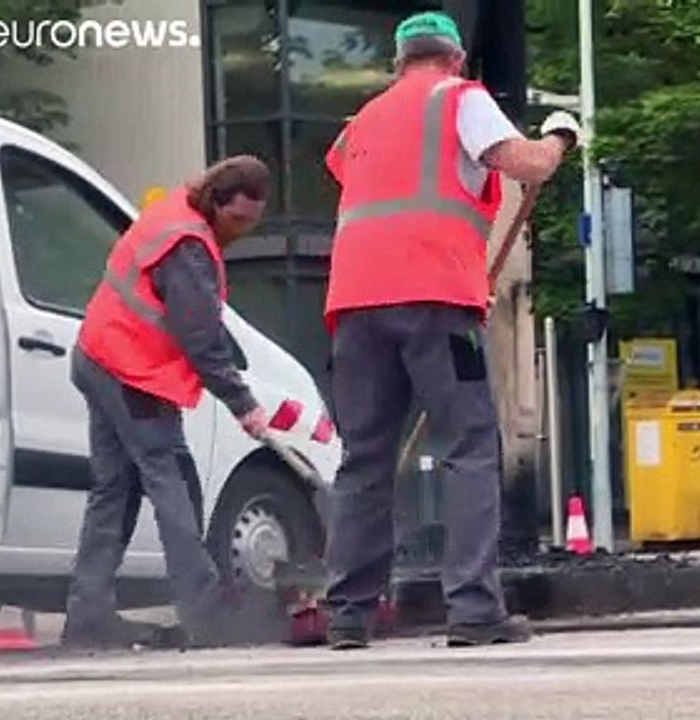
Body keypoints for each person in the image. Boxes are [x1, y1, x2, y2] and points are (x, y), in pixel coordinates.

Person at [321, 10, 581, 650]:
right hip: (435, 302)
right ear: (456, 59)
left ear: (399, 61)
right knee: (468, 448)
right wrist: (559, 138)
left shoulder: (363, 122)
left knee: (364, 460)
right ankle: (472, 608)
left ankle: (347, 614)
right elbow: (527, 165)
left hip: (355, 306)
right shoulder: (460, 99)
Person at [61, 156, 273, 649]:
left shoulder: (178, 212)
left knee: (113, 490)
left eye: (253, 221)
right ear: (216, 202)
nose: (242, 230)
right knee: (171, 477)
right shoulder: (189, 246)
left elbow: (195, 317)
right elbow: (199, 337)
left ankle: (88, 615)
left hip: (99, 355)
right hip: (129, 370)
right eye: (237, 219)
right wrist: (245, 404)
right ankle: (205, 613)